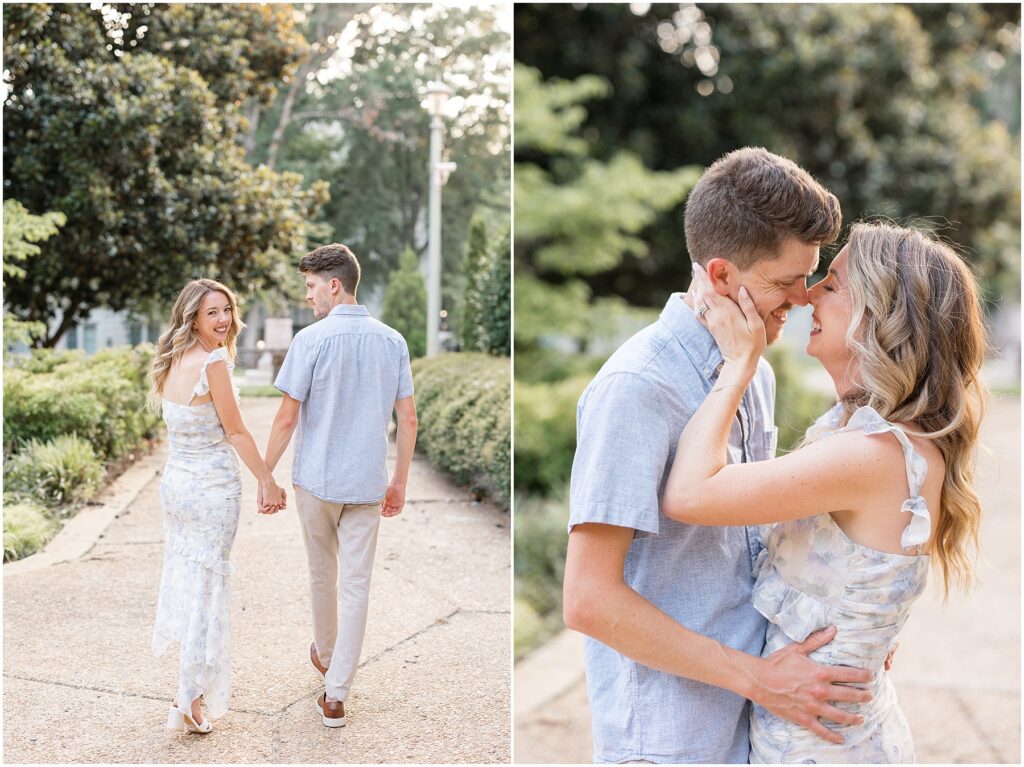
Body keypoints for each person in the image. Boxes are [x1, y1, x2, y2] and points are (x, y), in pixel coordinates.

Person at [562, 147, 874, 764]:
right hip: (668, 736)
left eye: (810, 278)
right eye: (786, 282)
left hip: (751, 717)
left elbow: (755, 546)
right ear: (723, 275)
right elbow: (587, 599)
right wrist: (758, 678)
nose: (804, 299)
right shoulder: (638, 388)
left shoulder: (752, 370)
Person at [665, 222, 986, 762]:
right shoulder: (869, 436)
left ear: (880, 318)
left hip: (826, 747)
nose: (808, 294)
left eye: (831, 285)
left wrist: (739, 365)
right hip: (831, 732)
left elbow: (690, 495)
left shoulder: (871, 454)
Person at [263, 243, 417, 728]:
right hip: (368, 483)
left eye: (311, 287)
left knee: (321, 575)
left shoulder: (310, 341)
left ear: (334, 284)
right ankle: (336, 693)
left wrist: (265, 473)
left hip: (317, 481)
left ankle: (327, 655)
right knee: (357, 585)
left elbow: (287, 418)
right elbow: (408, 420)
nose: (308, 297)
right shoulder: (393, 341)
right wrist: (399, 483)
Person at [150, 278, 287, 734]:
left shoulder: (171, 359)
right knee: (207, 590)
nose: (224, 319)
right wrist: (267, 479)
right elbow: (237, 431)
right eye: (212, 312)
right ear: (193, 316)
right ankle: (189, 696)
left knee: (193, 583)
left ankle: (189, 690)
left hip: (178, 487)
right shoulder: (213, 362)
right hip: (211, 491)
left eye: (226, 309)